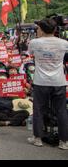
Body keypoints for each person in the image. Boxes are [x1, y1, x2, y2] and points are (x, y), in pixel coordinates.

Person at [27, 18, 68, 149]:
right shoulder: (64, 43)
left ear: (42, 30)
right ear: (55, 29)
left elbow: (30, 54)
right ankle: (64, 142)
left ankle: (37, 138)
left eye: (38, 28)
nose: (37, 30)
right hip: (59, 81)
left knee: (38, 110)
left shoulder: (34, 43)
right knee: (61, 111)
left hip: (41, 81)